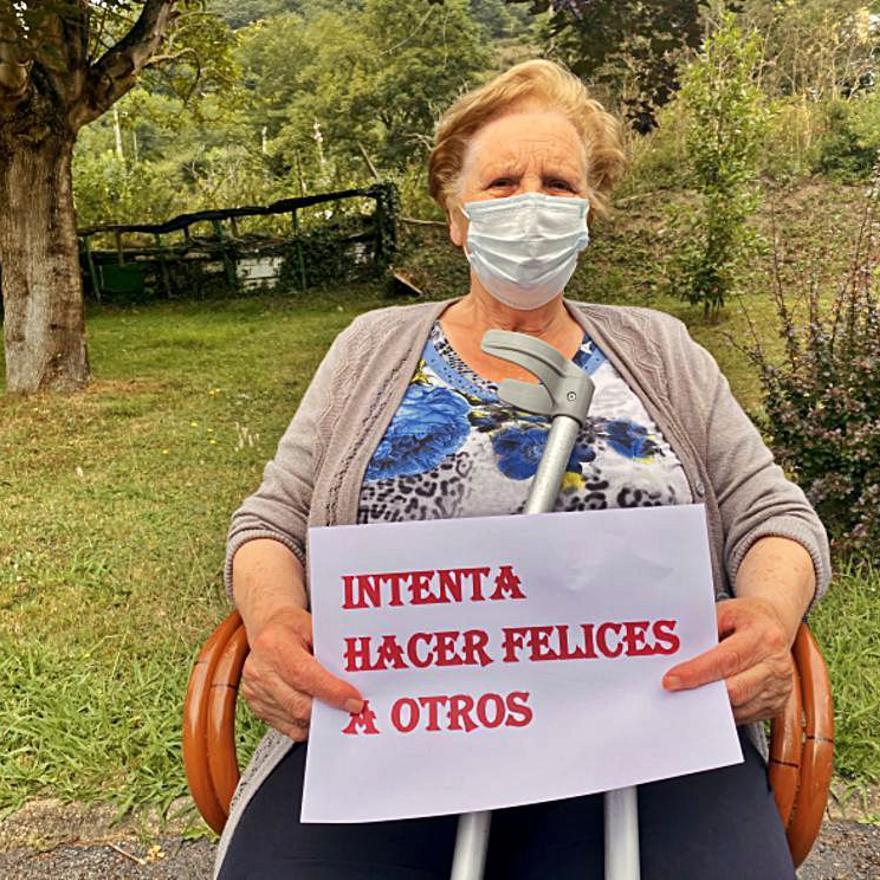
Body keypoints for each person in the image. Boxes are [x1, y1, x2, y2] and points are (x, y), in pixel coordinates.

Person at [214, 59, 830, 879]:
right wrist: (275, 624)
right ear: (457, 216)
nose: (531, 204)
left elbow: (776, 518)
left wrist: (768, 615)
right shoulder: (369, 348)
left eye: (558, 184)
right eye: (502, 182)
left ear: (587, 211)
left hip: (645, 735)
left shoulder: (661, 348)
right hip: (392, 733)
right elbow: (271, 524)